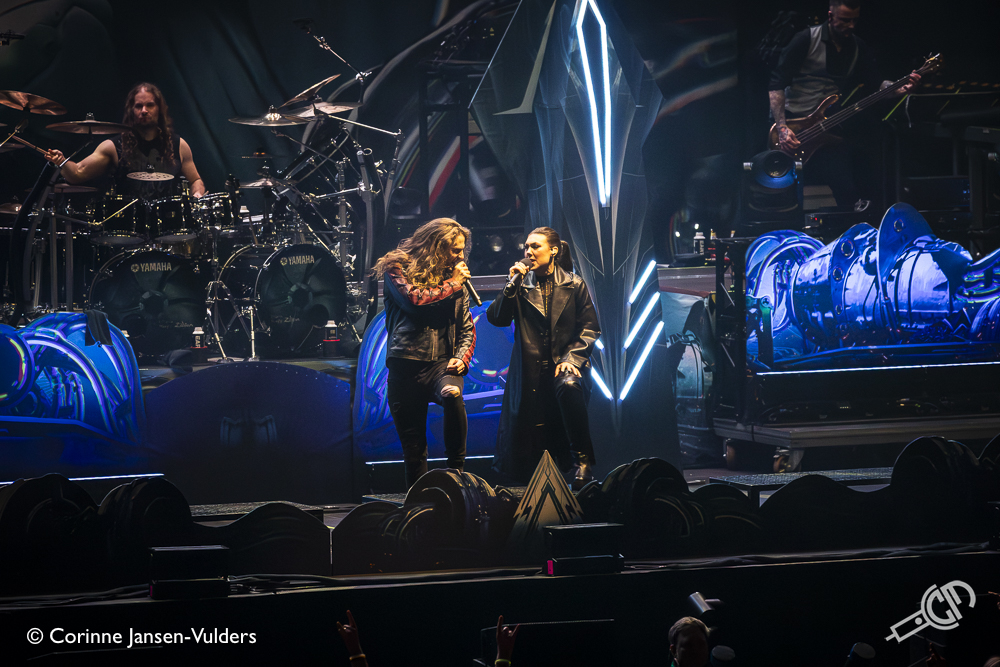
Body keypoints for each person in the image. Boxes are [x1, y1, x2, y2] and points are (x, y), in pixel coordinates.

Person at [768, 0, 918, 209]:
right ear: (831, 17)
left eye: (855, 20)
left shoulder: (856, 46)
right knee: (784, 189)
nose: (851, 26)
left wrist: (898, 88)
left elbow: (876, 83)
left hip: (826, 124)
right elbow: (776, 85)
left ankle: (854, 218)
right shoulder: (805, 39)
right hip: (795, 122)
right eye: (845, 20)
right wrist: (783, 128)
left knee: (846, 183)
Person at [487, 227, 600, 489]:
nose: (528, 251)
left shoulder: (574, 284)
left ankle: (583, 462)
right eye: (526, 247)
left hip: (563, 364)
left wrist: (572, 358)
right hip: (529, 368)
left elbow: (590, 328)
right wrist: (511, 284)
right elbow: (497, 318)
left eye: (535, 246)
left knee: (569, 386)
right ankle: (529, 485)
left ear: (554, 250)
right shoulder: (520, 284)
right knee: (529, 431)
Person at [372, 218, 476, 488]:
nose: (460, 256)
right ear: (436, 246)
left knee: (452, 394)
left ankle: (457, 474)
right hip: (405, 365)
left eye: (462, 250)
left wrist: (462, 358)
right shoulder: (397, 268)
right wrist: (453, 284)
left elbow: (467, 328)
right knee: (414, 450)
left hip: (441, 364)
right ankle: (419, 503)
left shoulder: (455, 281)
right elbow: (414, 301)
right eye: (455, 250)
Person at [43, 82, 205, 199]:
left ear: (160, 109)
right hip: (128, 229)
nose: (144, 111)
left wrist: (197, 193)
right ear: (131, 110)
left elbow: (196, 180)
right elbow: (77, 173)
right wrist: (62, 161)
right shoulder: (113, 147)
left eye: (150, 105)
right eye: (138, 106)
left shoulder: (178, 145)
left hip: (170, 228)